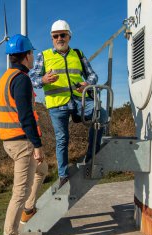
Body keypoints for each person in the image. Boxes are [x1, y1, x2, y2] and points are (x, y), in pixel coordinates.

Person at [29, 20, 106, 189]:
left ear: (69, 36)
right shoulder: (44, 55)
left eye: (62, 35)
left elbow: (92, 75)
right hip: (57, 104)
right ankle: (63, 175)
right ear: (52, 38)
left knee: (101, 115)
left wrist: (88, 84)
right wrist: (43, 79)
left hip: (80, 100)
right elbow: (32, 78)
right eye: (55, 36)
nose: (59, 38)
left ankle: (91, 156)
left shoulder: (78, 54)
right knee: (62, 139)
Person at [0, 34, 47, 235]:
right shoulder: (21, 79)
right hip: (22, 143)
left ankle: (29, 209)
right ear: (27, 55)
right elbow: (25, 116)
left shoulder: (5, 77)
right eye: (31, 53)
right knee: (20, 191)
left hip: (10, 141)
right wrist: (37, 145)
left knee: (42, 170)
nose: (33, 56)